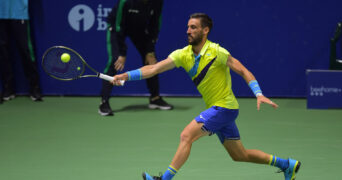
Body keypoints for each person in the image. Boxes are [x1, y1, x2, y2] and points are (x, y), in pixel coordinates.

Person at [112, 13, 301, 180]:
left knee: (186, 135)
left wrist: (258, 93)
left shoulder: (217, 52)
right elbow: (153, 68)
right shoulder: (182, 55)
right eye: (187, 27)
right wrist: (126, 76)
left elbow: (243, 70)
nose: (188, 31)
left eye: (193, 27)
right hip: (219, 110)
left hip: (225, 107)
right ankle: (287, 165)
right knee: (240, 155)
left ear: (205, 30)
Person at [99, 0, 173, 116]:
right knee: (115, 60)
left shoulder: (157, 2)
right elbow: (118, 26)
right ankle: (104, 102)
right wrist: (122, 53)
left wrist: (150, 50)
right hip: (117, 27)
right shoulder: (126, 1)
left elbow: (154, 25)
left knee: (151, 61)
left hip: (139, 28)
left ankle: (155, 98)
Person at [0, 0, 43, 101]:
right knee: (2, 51)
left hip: (19, 13)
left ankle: (34, 88)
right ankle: (8, 89)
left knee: (25, 49)